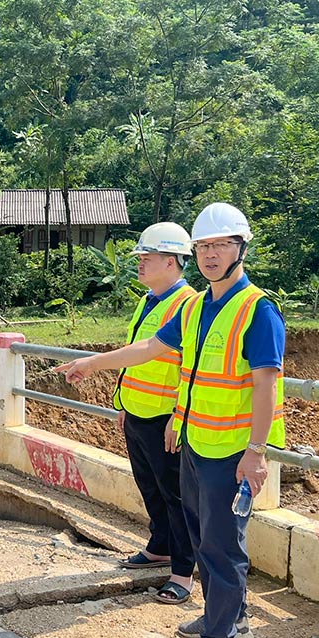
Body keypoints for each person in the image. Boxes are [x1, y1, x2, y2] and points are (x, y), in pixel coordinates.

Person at [56, 203, 285, 638]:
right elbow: (151, 349)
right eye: (204, 246)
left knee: (222, 545)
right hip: (196, 442)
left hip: (232, 451)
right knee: (204, 539)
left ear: (242, 248)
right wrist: (91, 363)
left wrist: (257, 453)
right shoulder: (199, 305)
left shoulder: (258, 311)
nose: (211, 255)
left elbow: (266, 385)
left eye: (221, 245)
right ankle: (229, 617)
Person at [111, 223, 197, 606]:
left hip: (165, 418)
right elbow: (136, 356)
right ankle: (159, 546)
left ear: (173, 261)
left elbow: (190, 368)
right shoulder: (150, 299)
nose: (140, 264)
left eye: (147, 258)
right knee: (150, 488)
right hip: (138, 412)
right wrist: (122, 405)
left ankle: (183, 572)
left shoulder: (187, 304)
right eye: (140, 258)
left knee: (175, 496)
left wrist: (178, 417)